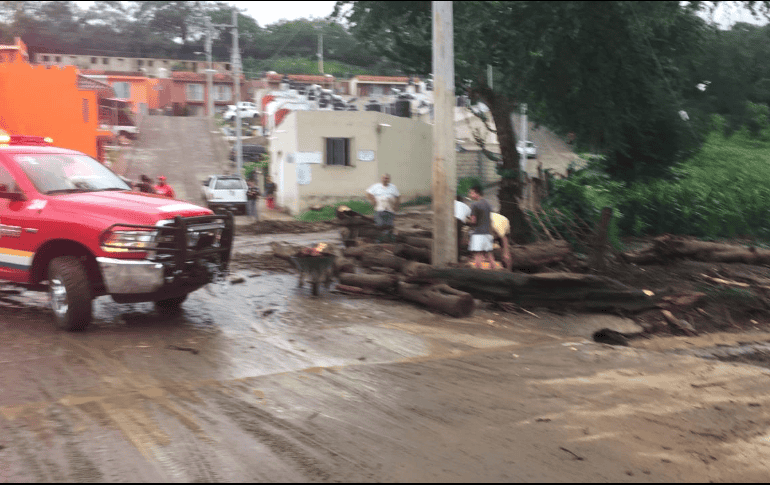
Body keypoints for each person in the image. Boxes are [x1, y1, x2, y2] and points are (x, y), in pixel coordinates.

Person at [456, 195, 512, 269]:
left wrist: (505, 252)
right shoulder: (475, 221)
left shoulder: (496, 223)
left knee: (505, 255)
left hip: (503, 228)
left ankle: (508, 270)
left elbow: (503, 238)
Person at [467, 184, 496, 269]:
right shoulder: (488, 204)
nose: (470, 195)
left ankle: (477, 276)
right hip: (488, 233)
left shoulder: (474, 205)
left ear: (477, 193)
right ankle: (495, 272)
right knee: (490, 256)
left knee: (477, 257)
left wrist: (469, 220)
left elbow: (473, 221)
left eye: (471, 193)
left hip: (478, 233)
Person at [366, 173, 400, 243]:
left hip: (390, 209)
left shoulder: (393, 187)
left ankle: (388, 241)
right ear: (381, 179)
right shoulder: (376, 186)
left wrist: (396, 206)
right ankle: (379, 241)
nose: (385, 179)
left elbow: (398, 196)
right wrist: (373, 200)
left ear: (389, 180)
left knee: (389, 225)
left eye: (387, 178)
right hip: (379, 209)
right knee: (379, 225)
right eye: (384, 178)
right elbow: (368, 193)